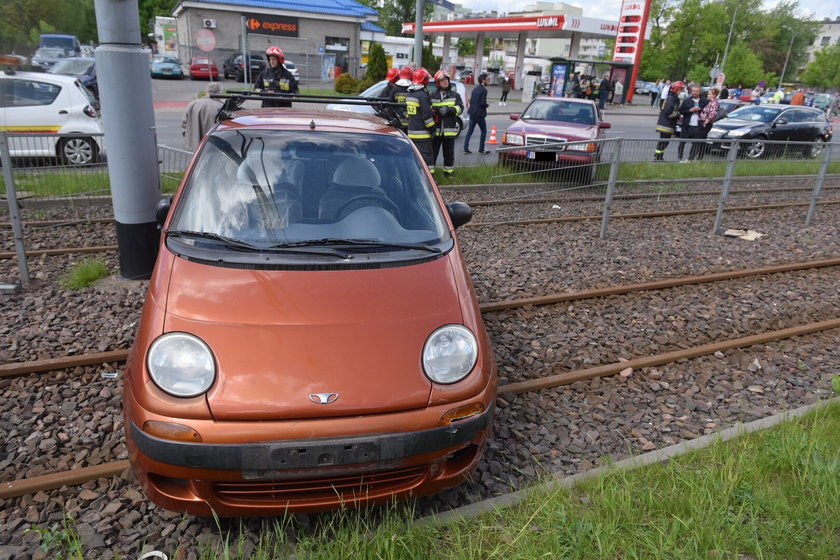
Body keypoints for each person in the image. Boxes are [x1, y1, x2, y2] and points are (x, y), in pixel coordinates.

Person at [430, 70, 464, 176]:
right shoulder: (432, 95)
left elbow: (460, 108)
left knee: (449, 154)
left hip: (449, 131)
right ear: (437, 83)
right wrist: (436, 109)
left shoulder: (455, 95)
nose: (445, 82)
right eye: (442, 80)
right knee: (432, 154)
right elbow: (428, 108)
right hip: (436, 130)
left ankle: (448, 173)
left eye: (446, 80)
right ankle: (430, 174)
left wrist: (449, 110)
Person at [405, 68, 436, 170]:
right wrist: (433, 129)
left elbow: (407, 113)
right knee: (427, 161)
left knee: (415, 159)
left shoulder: (409, 94)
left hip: (411, 133)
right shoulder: (422, 95)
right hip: (423, 135)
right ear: (425, 79)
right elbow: (427, 117)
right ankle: (430, 181)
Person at [181, 82, 223, 152]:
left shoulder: (192, 104)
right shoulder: (221, 107)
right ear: (219, 93)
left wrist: (189, 138)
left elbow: (184, 124)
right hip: (213, 148)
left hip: (194, 148)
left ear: (206, 92)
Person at [653, 80, 684, 161]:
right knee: (663, 142)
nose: (680, 91)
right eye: (680, 89)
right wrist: (678, 115)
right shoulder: (671, 98)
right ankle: (657, 157)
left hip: (667, 124)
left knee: (664, 142)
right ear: (676, 89)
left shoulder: (673, 98)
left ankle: (659, 156)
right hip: (666, 124)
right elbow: (668, 111)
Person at [689, 86, 719, 161]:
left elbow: (713, 113)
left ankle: (691, 158)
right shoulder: (709, 102)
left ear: (714, 95)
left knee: (697, 140)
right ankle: (699, 158)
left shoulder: (713, 103)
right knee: (702, 141)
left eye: (709, 94)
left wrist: (706, 121)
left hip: (704, 123)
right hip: (703, 122)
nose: (707, 95)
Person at [463, 72, 490, 154]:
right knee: (484, 131)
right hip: (479, 114)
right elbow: (482, 103)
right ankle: (481, 149)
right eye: (487, 79)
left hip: (472, 113)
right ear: (483, 80)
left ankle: (465, 148)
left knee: (470, 131)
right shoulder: (484, 90)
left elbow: (471, 100)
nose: (488, 81)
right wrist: (487, 105)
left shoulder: (475, 89)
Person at [680, 85, 709, 162]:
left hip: (698, 125)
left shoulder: (704, 101)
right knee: (682, 142)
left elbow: (709, 111)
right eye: (693, 91)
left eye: (696, 91)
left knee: (696, 143)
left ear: (700, 92)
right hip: (687, 125)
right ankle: (679, 158)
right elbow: (681, 110)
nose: (694, 93)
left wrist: (700, 109)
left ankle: (690, 159)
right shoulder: (687, 100)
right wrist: (690, 110)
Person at [388, 66, 414, 131]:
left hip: (399, 122)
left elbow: (390, 105)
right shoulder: (414, 90)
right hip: (411, 123)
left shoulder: (395, 90)